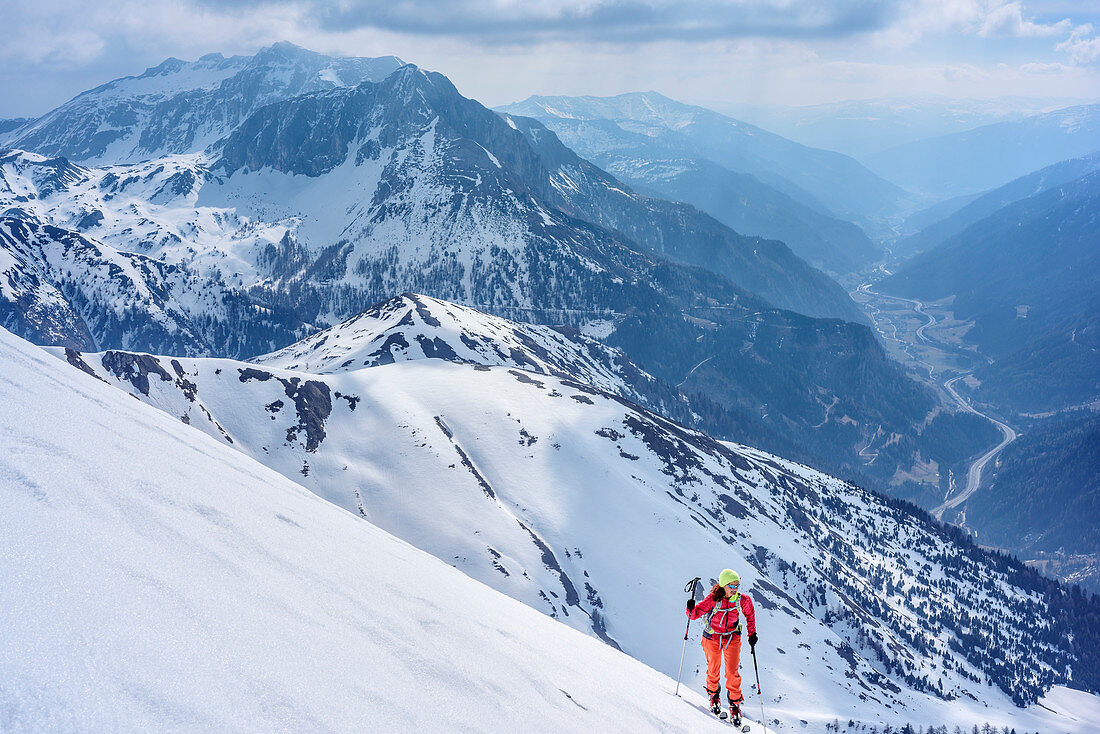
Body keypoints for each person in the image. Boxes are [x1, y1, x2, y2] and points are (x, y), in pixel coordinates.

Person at [687, 569, 758, 722]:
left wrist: (752, 634)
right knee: (713, 670)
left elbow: (750, 615)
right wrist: (690, 607)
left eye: (737, 585)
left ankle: (734, 706)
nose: (735, 589)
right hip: (712, 638)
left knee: (732, 673)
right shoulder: (713, 599)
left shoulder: (742, 600)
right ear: (724, 585)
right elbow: (694, 615)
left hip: (732, 637)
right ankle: (713, 697)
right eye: (732, 586)